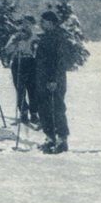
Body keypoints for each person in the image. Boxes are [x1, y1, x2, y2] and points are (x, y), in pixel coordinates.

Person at [35, 10, 71, 154]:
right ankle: (50, 138)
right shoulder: (46, 37)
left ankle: (62, 140)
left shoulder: (58, 37)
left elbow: (60, 61)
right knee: (44, 109)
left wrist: (53, 80)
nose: (41, 24)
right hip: (43, 80)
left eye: (43, 22)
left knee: (56, 109)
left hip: (53, 80)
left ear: (51, 23)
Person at [4, 15, 39, 125]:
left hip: (31, 63)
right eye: (24, 23)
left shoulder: (36, 37)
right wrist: (15, 43)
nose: (26, 25)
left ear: (32, 25)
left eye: (29, 23)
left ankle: (34, 113)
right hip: (19, 62)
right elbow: (7, 50)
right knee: (20, 89)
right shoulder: (16, 36)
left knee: (33, 89)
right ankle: (23, 112)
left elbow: (39, 51)